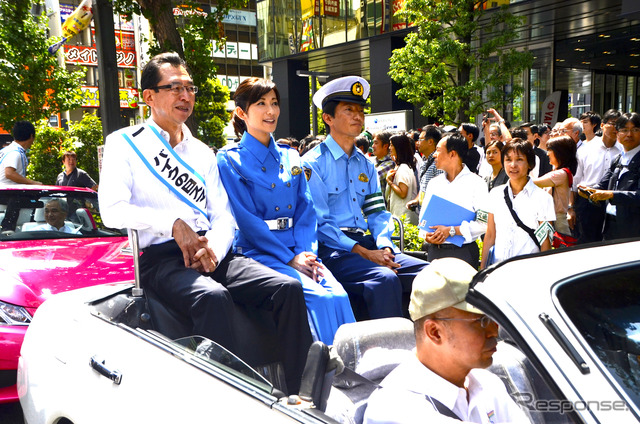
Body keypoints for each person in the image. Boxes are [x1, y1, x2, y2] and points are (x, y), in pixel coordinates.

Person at [98, 52, 312, 394]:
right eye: (175, 88)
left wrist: (212, 247)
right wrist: (172, 224)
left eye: (190, 88)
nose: (186, 96)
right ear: (148, 96)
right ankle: (228, 398)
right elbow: (112, 210)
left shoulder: (202, 152)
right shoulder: (125, 144)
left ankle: (302, 392)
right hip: (163, 259)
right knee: (212, 298)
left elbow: (224, 216)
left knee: (287, 288)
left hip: (213, 251)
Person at [217, 77, 355, 346]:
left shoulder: (291, 156)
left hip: (298, 249)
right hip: (260, 252)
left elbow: (306, 209)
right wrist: (290, 258)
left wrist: (307, 254)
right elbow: (248, 221)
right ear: (242, 113)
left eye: (274, 103)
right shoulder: (229, 159)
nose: (271, 111)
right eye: (261, 104)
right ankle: (329, 371)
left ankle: (358, 362)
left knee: (339, 295)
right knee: (320, 297)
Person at [302, 76, 429, 320]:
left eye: (360, 110)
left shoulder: (366, 164)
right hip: (334, 250)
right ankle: (390, 351)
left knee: (431, 273)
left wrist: (384, 246)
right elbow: (321, 224)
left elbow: (377, 213)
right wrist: (363, 252)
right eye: (349, 110)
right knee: (384, 279)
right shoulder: (312, 164)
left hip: (369, 244)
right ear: (328, 118)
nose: (358, 116)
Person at [364, 258, 531, 424]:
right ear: (435, 332)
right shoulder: (394, 408)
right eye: (481, 322)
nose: (494, 331)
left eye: (493, 318)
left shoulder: (487, 384)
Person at [480, 139, 555, 269]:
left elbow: (546, 242)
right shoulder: (495, 194)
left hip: (528, 270)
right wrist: (482, 270)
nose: (513, 165)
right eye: (508, 160)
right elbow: (490, 234)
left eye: (519, 159)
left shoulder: (543, 198)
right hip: (498, 268)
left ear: (530, 164)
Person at [421, 133, 488, 269]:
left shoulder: (476, 183)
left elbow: (484, 224)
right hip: (435, 252)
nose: (434, 155)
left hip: (463, 253)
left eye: (438, 150)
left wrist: (452, 230)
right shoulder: (434, 183)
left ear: (452, 154)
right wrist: (427, 236)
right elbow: (423, 219)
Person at [581, 112, 640, 240]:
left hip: (633, 229)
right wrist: (589, 190)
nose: (629, 134)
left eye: (635, 129)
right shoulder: (617, 159)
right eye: (624, 130)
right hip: (610, 224)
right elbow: (603, 184)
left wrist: (612, 195)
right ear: (617, 134)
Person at [570, 109, 622, 243]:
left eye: (620, 125)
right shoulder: (585, 149)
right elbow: (574, 182)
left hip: (613, 203)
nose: (616, 128)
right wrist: (571, 209)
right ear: (603, 125)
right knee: (587, 242)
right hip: (587, 201)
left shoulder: (623, 151)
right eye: (613, 124)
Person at [533, 135, 578, 236]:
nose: (547, 153)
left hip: (557, 219)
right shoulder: (560, 171)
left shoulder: (560, 174)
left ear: (560, 153)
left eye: (550, 150)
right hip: (553, 218)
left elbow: (535, 182)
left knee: (560, 249)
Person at [405, 125, 444, 214]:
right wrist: (417, 200)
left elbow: (441, 192)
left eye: (420, 139)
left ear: (430, 141)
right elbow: (424, 187)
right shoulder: (425, 161)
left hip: (434, 215)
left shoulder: (439, 163)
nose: (417, 143)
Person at [386, 133, 419, 225]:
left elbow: (403, 193)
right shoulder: (402, 166)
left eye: (391, 145)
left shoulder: (403, 168)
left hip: (403, 217)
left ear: (398, 147)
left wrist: (389, 182)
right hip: (401, 216)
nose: (389, 148)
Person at [0, 121, 42, 186]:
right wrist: (33, 183)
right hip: (7, 194)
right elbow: (9, 173)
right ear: (31, 136)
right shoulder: (15, 152)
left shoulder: (6, 150)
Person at [371, 130, 395, 205]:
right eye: (373, 143)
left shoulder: (390, 164)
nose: (373, 146)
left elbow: (371, 177)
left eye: (376, 143)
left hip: (381, 210)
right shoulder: (373, 161)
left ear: (385, 146)